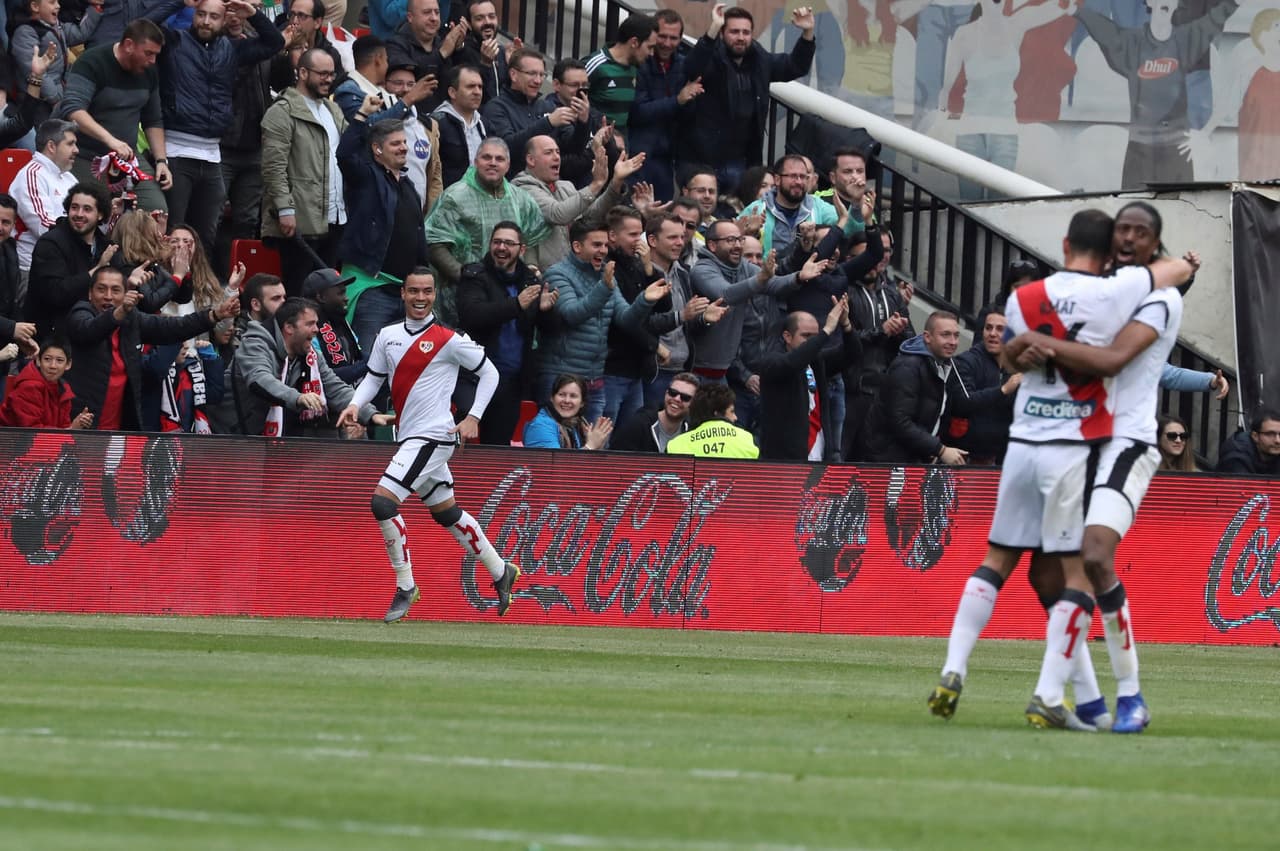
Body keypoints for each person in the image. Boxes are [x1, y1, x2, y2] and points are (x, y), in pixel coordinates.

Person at [927, 209, 1194, 731]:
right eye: (1122, 231)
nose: (1128, 240)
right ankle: (1088, 701)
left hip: (1125, 441)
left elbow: (1114, 357)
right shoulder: (1110, 288)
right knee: (1046, 573)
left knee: (1091, 556)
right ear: (1106, 241)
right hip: (1076, 440)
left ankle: (1127, 693)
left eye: (1140, 233)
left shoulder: (1152, 296)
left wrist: (1034, 348)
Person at [336, 268, 519, 623]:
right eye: (414, 291)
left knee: (382, 502)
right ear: (402, 293)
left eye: (428, 292)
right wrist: (356, 405)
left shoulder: (449, 338)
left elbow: (490, 373)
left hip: (434, 436)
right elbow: (373, 379)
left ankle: (406, 585)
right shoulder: (387, 336)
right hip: (409, 436)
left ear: (435, 295)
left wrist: (473, 417)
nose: (421, 298)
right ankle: (500, 571)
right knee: (446, 512)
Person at [157, 0, 283, 256]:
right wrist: (178, 2)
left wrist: (254, 14)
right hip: (177, 150)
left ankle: (196, 293)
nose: (206, 21)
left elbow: (274, 43)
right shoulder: (174, 42)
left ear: (225, 18)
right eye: (201, 14)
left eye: (214, 16)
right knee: (173, 232)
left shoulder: (232, 49)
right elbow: (143, 25)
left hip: (213, 153)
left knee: (205, 237)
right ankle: (168, 291)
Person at [1075, 0, 1237, 187]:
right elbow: (1103, 29)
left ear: (1177, 5)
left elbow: (1214, 19)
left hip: (1177, 150)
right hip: (1140, 150)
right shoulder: (1132, 43)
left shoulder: (1184, 41)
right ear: (1149, 2)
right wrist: (1076, 11)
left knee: (1177, 211)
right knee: (1135, 207)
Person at [65, 265, 237, 429]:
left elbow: (174, 326)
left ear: (125, 293)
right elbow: (89, 330)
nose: (108, 296)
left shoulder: (131, 319)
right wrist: (119, 312)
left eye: (116, 290)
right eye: (101, 289)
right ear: (89, 293)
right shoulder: (80, 313)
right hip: (80, 424)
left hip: (120, 429)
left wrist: (214, 315)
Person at [537, 219, 670, 423]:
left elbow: (625, 319)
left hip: (594, 379)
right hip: (560, 378)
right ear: (577, 246)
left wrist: (644, 300)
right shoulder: (558, 274)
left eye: (606, 245)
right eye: (596, 245)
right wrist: (604, 288)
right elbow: (572, 314)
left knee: (596, 447)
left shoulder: (606, 275)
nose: (603, 250)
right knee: (558, 445)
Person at [681, 3, 815, 190]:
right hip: (704, 159)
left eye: (746, 32)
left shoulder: (760, 60)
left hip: (742, 160)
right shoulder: (711, 56)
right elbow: (692, 68)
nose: (741, 37)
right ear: (722, 33)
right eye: (734, 32)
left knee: (741, 213)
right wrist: (712, 29)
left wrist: (807, 33)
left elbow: (794, 66)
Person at [423, 137, 549, 324]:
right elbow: (434, 244)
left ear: (508, 165)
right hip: (466, 297)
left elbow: (530, 240)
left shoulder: (522, 199)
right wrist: (467, 278)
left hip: (513, 293)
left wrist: (529, 270)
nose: (492, 163)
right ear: (475, 162)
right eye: (486, 157)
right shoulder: (454, 197)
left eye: (499, 159)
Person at [336, 100, 430, 351]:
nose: (403, 148)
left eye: (404, 142)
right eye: (395, 144)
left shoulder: (409, 187)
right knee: (368, 365)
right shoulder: (366, 177)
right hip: (372, 290)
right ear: (377, 149)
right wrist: (361, 116)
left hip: (405, 292)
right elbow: (344, 155)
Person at [688, 218, 823, 388]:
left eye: (739, 239)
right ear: (712, 245)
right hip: (698, 372)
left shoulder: (744, 267)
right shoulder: (702, 269)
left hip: (723, 373)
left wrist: (798, 277)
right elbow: (726, 295)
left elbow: (773, 284)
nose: (737, 245)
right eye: (730, 240)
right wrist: (760, 278)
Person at [455, 221, 557, 445]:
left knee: (496, 452)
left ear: (521, 249)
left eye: (509, 243)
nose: (501, 247)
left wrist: (545, 311)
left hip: (511, 383)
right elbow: (472, 316)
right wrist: (515, 305)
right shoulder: (474, 275)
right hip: (474, 378)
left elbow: (547, 330)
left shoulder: (531, 281)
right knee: (461, 448)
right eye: (497, 242)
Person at [56, 18, 172, 213]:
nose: (152, 61)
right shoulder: (92, 62)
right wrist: (111, 140)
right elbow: (73, 110)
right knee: (97, 212)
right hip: (86, 154)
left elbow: (153, 120)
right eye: (148, 53)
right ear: (128, 45)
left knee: (156, 210)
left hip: (127, 157)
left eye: (155, 55)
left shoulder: (149, 71)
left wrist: (161, 161)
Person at [260, 47, 348, 296]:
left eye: (332, 74)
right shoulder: (282, 111)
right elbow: (273, 167)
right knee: (300, 294)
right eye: (322, 74)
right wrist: (285, 209)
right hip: (300, 220)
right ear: (302, 72)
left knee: (327, 296)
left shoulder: (333, 110)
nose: (329, 79)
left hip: (335, 218)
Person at [233, 296, 375, 436]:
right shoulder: (255, 344)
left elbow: (335, 388)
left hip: (282, 438)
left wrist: (370, 414)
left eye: (316, 323)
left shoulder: (312, 355)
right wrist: (298, 398)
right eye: (310, 324)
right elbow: (260, 379)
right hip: (234, 436)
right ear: (289, 327)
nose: (316, 329)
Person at [758, 296, 860, 462]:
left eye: (815, 336)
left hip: (818, 456)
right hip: (785, 462)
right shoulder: (772, 362)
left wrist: (846, 325)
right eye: (806, 336)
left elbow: (853, 354)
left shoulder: (816, 361)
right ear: (787, 336)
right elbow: (791, 363)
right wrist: (826, 331)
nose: (813, 342)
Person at [513, 134, 629, 272]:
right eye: (548, 153)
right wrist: (596, 184)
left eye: (558, 152)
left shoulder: (565, 186)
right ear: (531, 160)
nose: (556, 157)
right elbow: (558, 214)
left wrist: (615, 183)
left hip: (575, 270)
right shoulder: (522, 188)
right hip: (544, 276)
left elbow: (590, 217)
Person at [26, 181, 114, 339]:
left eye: (87, 209)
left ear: (100, 214)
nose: (79, 214)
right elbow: (56, 294)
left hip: (91, 333)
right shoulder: (51, 243)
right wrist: (97, 269)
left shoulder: (104, 245)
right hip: (51, 340)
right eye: (74, 207)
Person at [629, 8, 699, 201]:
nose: (667, 43)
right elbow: (638, 112)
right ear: (653, 35)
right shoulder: (639, 62)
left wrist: (689, 100)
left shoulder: (684, 66)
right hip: (639, 154)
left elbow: (687, 113)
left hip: (667, 157)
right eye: (662, 36)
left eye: (674, 38)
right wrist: (677, 100)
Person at [944, 304, 1020, 466]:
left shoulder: (1014, 366)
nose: (993, 333)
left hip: (1000, 460)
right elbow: (964, 402)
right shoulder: (966, 361)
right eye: (988, 328)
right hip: (965, 460)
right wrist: (1003, 390)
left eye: (1000, 329)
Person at [11, 119, 80, 282]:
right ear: (51, 146)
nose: (76, 150)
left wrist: (108, 215)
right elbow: (44, 226)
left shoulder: (69, 178)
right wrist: (85, 231)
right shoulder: (31, 175)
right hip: (34, 271)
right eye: (70, 144)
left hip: (66, 266)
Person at [737, 154, 838, 257]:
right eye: (793, 176)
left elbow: (848, 230)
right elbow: (731, 242)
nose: (799, 182)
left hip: (807, 271)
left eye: (803, 177)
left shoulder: (818, 206)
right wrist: (750, 234)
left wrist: (855, 206)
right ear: (777, 180)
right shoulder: (757, 209)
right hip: (767, 271)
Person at [9, 0, 101, 106]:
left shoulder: (55, 25)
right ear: (35, 6)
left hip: (59, 93)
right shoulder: (24, 33)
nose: (58, 6)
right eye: (52, 2)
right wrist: (55, 98)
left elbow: (78, 34)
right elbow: (32, 71)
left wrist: (95, 9)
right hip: (38, 103)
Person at [581, 13, 656, 135]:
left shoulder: (635, 68)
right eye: (650, 47)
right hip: (594, 145)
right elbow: (571, 100)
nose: (652, 53)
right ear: (634, 42)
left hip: (620, 146)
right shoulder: (595, 64)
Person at [538, 58, 606, 189]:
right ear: (557, 85)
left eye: (584, 85)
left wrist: (607, 142)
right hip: (566, 193)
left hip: (597, 191)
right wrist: (595, 149)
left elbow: (612, 159)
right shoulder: (548, 113)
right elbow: (566, 166)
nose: (581, 91)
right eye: (574, 85)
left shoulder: (594, 114)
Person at [0, 338, 94, 428]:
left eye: (59, 360)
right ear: (38, 361)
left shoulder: (64, 390)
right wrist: (71, 429)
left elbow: (64, 428)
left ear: (68, 364)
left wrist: (77, 425)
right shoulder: (28, 387)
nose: (53, 366)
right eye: (47, 359)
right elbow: (31, 433)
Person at [385, 0, 465, 101]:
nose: (434, 18)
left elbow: (459, 83)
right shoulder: (395, 45)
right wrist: (441, 54)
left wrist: (458, 49)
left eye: (437, 12)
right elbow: (414, 78)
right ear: (410, 17)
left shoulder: (443, 42)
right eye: (427, 12)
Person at [301, 268, 364, 384]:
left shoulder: (339, 320)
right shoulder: (307, 330)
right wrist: (370, 363)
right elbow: (325, 377)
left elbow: (358, 356)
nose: (346, 298)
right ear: (321, 297)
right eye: (340, 293)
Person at [665, 380, 758, 458]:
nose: (735, 417)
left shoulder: (675, 445)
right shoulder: (748, 440)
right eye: (732, 411)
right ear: (717, 413)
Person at [612, 371, 699, 452]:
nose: (677, 399)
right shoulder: (639, 424)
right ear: (666, 393)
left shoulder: (693, 432)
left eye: (685, 397)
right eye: (673, 393)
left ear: (694, 403)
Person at [522, 372, 612, 449]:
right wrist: (590, 446)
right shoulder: (541, 425)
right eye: (561, 394)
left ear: (582, 403)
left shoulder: (577, 424)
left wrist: (597, 445)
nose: (567, 400)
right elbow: (555, 465)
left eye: (573, 396)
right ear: (552, 398)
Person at [431, 63, 487, 188]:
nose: (477, 92)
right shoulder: (436, 124)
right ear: (452, 92)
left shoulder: (484, 124)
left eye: (480, 87)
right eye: (471, 87)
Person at [447, 0, 509, 105]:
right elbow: (471, 95)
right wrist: (485, 64)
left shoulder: (502, 51)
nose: (487, 22)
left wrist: (516, 65)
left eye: (492, 16)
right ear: (469, 24)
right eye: (479, 18)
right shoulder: (463, 52)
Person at [1216, 409, 1280, 476]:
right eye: (1270, 434)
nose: (1278, 440)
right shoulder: (1237, 458)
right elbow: (1242, 486)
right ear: (1255, 436)